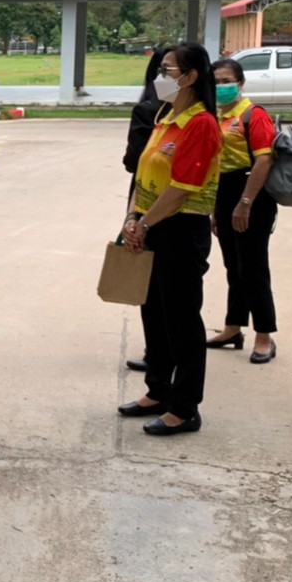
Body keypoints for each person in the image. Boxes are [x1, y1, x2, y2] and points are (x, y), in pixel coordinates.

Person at [118, 43, 222, 437]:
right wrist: (132, 217)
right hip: (151, 224)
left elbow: (182, 188)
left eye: (168, 70)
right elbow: (143, 174)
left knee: (182, 320)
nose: (160, 78)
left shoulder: (201, 124)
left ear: (191, 76)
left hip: (180, 230)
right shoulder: (165, 116)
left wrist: (144, 224)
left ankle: (184, 407)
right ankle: (157, 390)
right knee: (154, 313)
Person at [209, 58, 279, 364]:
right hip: (225, 194)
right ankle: (233, 328)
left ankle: (265, 336)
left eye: (227, 81)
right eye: (216, 82)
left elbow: (264, 160)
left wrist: (245, 203)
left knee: (253, 268)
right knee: (233, 266)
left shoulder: (253, 115)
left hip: (252, 196)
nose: (221, 87)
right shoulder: (217, 117)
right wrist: (216, 209)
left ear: (240, 83)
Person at [121, 47, 171, 375]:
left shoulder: (151, 110)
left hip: (155, 201)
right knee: (161, 284)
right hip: (147, 199)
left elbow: (132, 161)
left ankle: (159, 353)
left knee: (154, 282)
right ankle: (162, 355)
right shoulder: (158, 111)